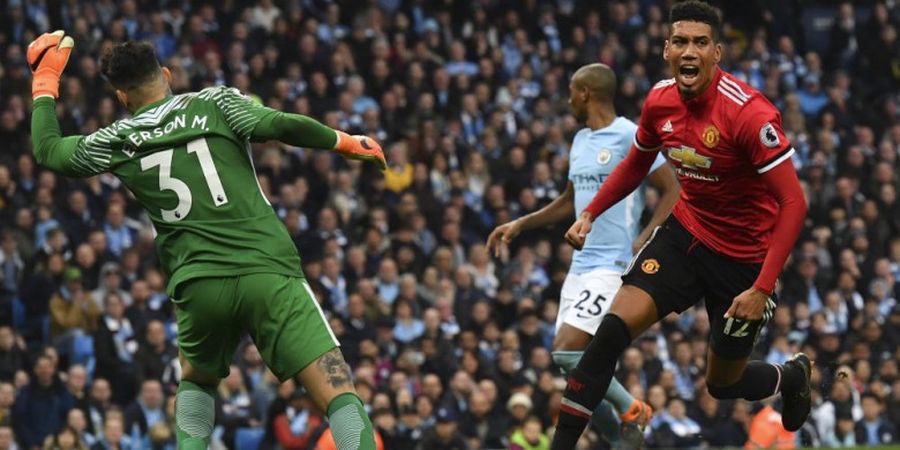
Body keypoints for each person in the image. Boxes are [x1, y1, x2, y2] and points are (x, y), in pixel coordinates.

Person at [27, 32, 386, 450]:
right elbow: (277, 124)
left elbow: (49, 151)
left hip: (198, 284)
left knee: (196, 382)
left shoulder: (116, 139)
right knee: (335, 385)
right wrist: (344, 142)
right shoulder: (214, 102)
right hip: (266, 269)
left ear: (123, 97)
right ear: (166, 74)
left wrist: (45, 82)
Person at [551, 2, 811, 448]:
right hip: (685, 235)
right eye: (681, 41)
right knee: (608, 334)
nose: (689, 51)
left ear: (717, 53)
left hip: (743, 262)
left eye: (700, 42)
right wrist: (591, 212)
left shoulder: (748, 114)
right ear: (667, 49)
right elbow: (636, 163)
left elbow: (794, 202)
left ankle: (791, 377)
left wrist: (763, 287)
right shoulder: (659, 100)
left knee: (722, 385)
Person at [486, 63, 679, 448]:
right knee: (572, 365)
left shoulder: (629, 135)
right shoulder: (579, 141)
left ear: (586, 92)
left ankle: (632, 411)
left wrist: (649, 235)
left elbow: (673, 188)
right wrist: (521, 224)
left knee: (567, 350)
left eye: (573, 91)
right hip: (580, 266)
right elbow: (571, 201)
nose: (569, 99)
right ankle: (619, 438)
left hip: (612, 264)